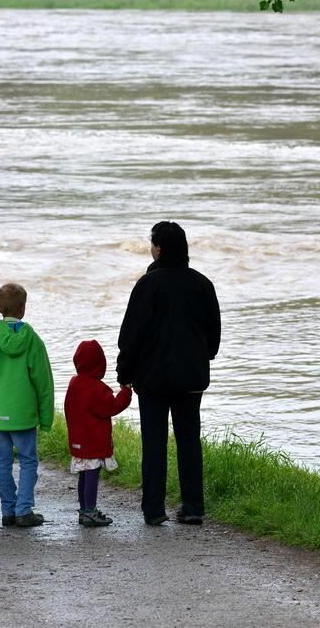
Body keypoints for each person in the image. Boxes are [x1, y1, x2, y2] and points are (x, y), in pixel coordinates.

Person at [117, 221, 221, 526]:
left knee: (154, 443)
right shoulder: (202, 284)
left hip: (153, 379)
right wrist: (204, 357)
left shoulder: (147, 285)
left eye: (152, 243)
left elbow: (131, 335)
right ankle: (193, 507)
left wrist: (125, 371)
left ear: (159, 248)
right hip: (191, 377)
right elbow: (214, 333)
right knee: (189, 441)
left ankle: (154, 509)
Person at [0, 283, 54, 528]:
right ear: (23, 309)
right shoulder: (33, 339)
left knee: (2, 463)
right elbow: (44, 382)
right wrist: (46, 418)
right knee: (28, 460)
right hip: (23, 412)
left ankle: (7, 510)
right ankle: (23, 509)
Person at [64, 340, 132, 527]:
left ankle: (84, 510)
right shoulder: (96, 388)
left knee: (83, 475)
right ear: (100, 364)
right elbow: (112, 406)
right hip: (92, 441)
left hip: (78, 441)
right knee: (92, 475)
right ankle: (90, 511)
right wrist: (126, 392)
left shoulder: (74, 384)